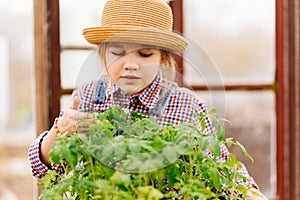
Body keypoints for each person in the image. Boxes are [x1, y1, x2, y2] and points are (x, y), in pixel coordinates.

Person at [28, 0, 268, 199]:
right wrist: (60, 131)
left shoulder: (185, 105)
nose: (130, 64)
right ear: (103, 54)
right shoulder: (88, 97)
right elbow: (42, 168)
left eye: (144, 54)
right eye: (117, 52)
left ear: (163, 59)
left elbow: (223, 173)